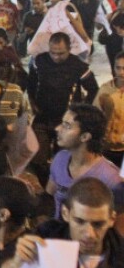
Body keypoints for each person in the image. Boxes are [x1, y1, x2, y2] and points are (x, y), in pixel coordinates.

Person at [27, 31, 99, 168]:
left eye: (61, 53)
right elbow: (30, 83)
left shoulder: (78, 65)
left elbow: (93, 89)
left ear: (69, 50)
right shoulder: (40, 61)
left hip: (66, 122)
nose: (56, 57)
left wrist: (81, 112)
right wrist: (32, 101)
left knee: (64, 159)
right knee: (37, 158)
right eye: (53, 52)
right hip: (42, 117)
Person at [47, 104, 124, 217]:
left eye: (67, 126)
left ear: (85, 137)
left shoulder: (111, 179)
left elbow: (116, 224)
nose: (58, 128)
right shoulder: (60, 159)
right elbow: (49, 195)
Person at [94, 49, 124, 165]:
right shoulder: (105, 91)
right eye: (118, 68)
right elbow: (95, 119)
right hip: (106, 149)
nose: (121, 72)